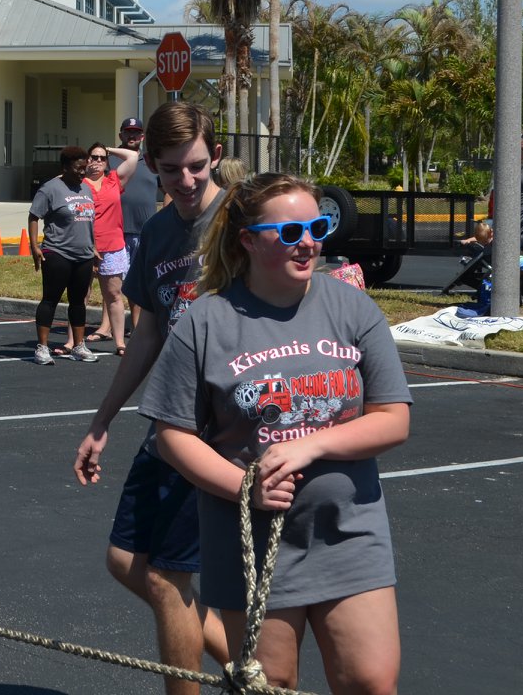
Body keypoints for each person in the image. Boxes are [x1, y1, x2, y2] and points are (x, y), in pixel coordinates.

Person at [141, 172, 411, 695]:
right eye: (289, 232)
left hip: (348, 531)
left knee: (371, 682)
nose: (307, 242)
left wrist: (309, 444)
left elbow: (393, 417)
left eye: (317, 228)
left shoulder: (352, 306)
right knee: (275, 684)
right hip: (254, 539)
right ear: (247, 239)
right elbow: (172, 435)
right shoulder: (206, 321)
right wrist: (247, 487)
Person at [72, 103, 230, 695]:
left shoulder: (241, 221)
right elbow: (148, 334)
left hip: (223, 432)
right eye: (170, 170)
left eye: (196, 166)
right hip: (168, 419)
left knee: (167, 579)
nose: (185, 181)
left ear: (215, 156)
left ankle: (247, 671)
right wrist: (101, 421)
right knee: (126, 560)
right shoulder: (160, 233)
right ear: (152, 168)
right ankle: (254, 668)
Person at [28, 146, 101, 364]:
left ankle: (79, 346)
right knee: (50, 299)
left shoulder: (85, 189)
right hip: (58, 252)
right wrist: (34, 247)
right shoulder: (50, 189)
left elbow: (88, 220)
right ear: (65, 167)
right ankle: (42, 348)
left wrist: (93, 247)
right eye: (78, 168)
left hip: (83, 255)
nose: (82, 172)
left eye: (85, 167)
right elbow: (34, 216)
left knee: (78, 302)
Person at [83, 139, 142, 351]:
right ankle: (74, 342)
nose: (98, 161)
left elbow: (133, 156)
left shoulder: (114, 180)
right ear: (86, 160)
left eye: (102, 158)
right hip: (84, 247)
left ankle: (119, 343)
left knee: (114, 296)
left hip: (113, 246)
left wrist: (107, 149)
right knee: (81, 296)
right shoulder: (79, 185)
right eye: (94, 157)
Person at [119, 116, 161, 328]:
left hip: (145, 232)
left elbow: (167, 189)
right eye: (128, 132)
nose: (132, 135)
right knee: (113, 283)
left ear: (142, 136)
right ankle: (108, 327)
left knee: (140, 281)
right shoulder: (111, 159)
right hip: (117, 231)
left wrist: (164, 217)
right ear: (121, 135)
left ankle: (138, 327)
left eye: (136, 132)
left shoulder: (151, 161)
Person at [485, 136, 523, 255]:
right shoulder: (508, 166)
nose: (519, 152)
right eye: (515, 148)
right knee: (501, 256)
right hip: (507, 217)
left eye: (522, 149)